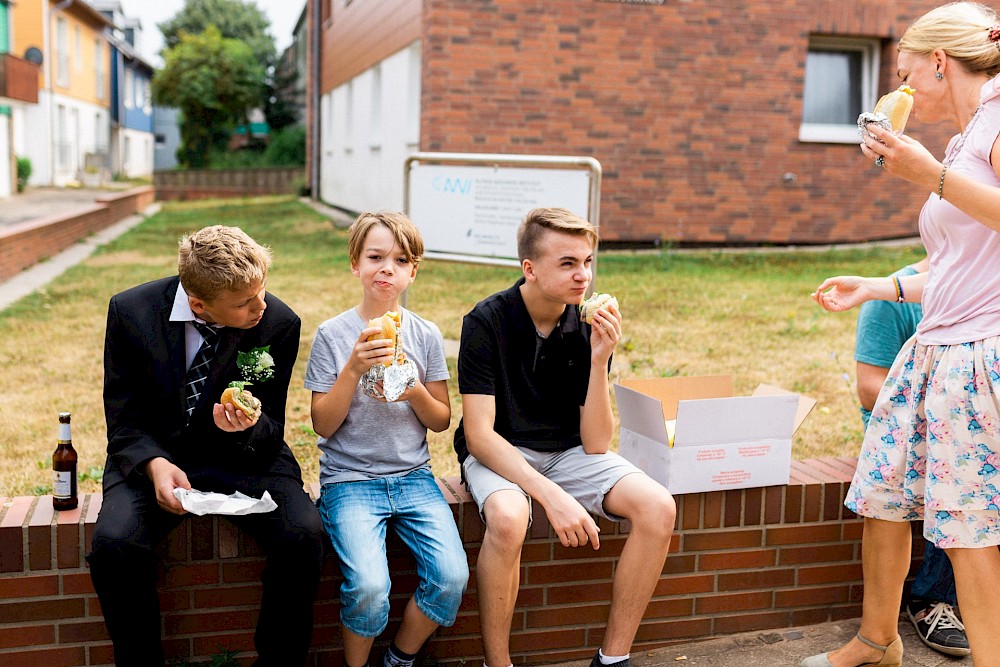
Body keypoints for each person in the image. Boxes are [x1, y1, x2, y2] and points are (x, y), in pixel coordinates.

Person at [805, 3, 1000, 665]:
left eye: (903, 65)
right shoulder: (963, 136)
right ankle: (877, 638)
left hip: (979, 352)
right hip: (934, 348)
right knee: (884, 493)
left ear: (937, 63)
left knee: (968, 525)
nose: (900, 78)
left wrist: (930, 176)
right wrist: (881, 286)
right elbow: (957, 261)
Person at [87, 225, 325, 667]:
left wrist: (247, 428)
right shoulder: (130, 312)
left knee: (303, 536)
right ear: (198, 304)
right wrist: (155, 466)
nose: (261, 307)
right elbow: (124, 420)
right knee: (115, 545)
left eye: (263, 291)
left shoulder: (278, 322)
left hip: (246, 457)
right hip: (156, 455)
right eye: (244, 302)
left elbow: (272, 426)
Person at [454, 207, 676, 667]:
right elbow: (479, 435)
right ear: (529, 269)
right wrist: (551, 497)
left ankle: (613, 658)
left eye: (588, 261)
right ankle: (499, 663)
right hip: (502, 452)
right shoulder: (486, 321)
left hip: (569, 452)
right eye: (568, 263)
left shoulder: (586, 323)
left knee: (658, 508)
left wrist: (599, 359)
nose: (583, 276)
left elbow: (595, 443)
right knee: (511, 519)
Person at [305, 211, 469, 667]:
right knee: (370, 588)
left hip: (414, 477)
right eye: (375, 257)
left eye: (400, 260)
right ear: (354, 264)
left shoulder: (425, 335)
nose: (386, 268)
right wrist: (354, 368)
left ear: (412, 271)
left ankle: (399, 659)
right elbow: (322, 423)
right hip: (350, 480)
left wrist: (412, 386)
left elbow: (440, 420)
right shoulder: (333, 336)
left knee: (451, 577)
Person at [854, 258, 969, 658]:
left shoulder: (982, 287)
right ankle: (934, 600)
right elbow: (870, 389)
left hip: (961, 423)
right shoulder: (891, 296)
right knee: (956, 469)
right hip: (903, 425)